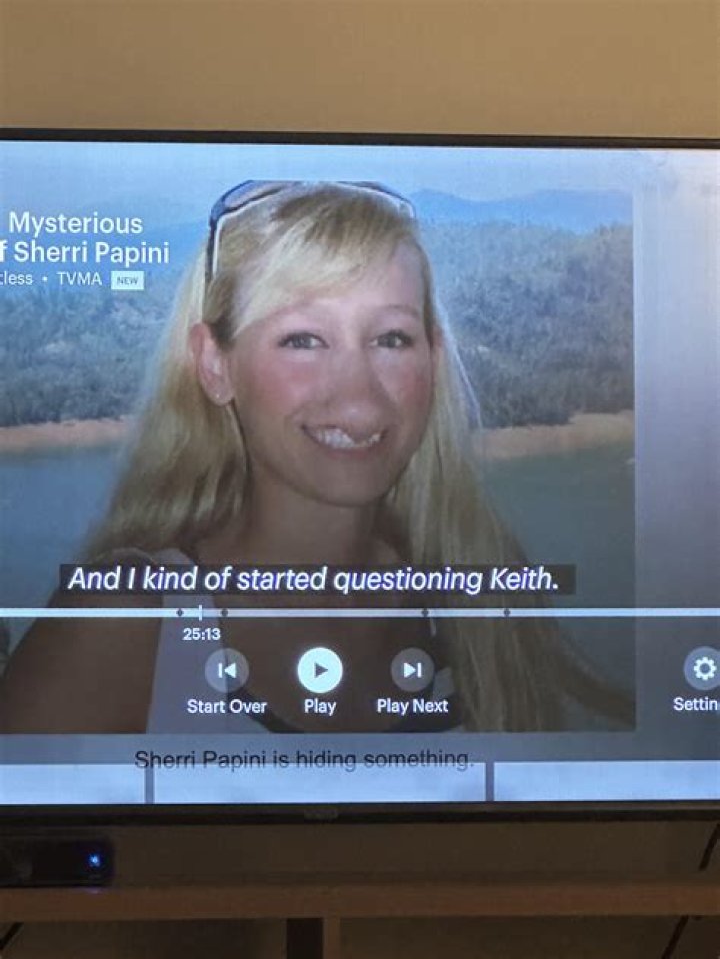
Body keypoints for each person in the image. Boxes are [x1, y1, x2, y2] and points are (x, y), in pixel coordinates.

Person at [0, 181, 632, 734]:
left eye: (392, 338)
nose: (357, 399)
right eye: (302, 339)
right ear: (215, 366)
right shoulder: (122, 624)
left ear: (433, 361)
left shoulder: (479, 609)